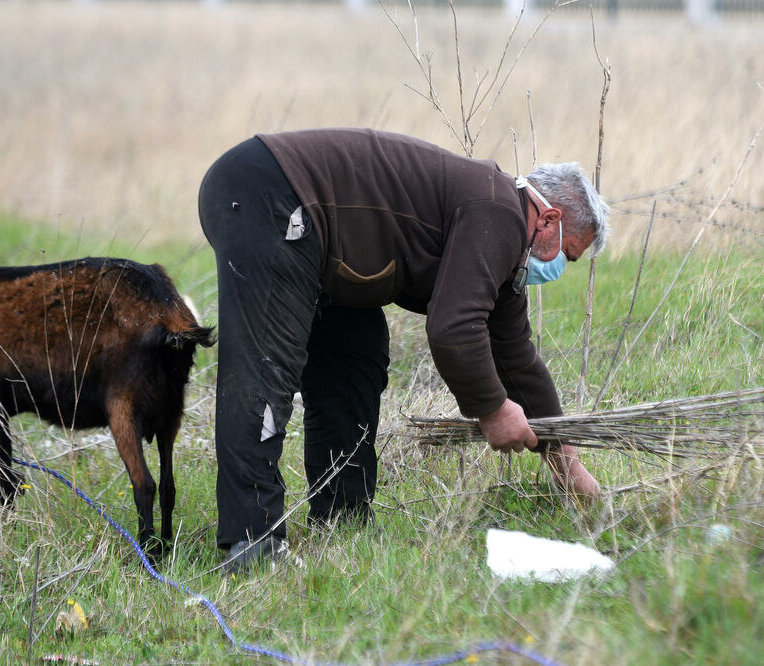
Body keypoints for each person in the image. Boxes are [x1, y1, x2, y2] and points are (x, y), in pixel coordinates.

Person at [197, 128, 610, 573]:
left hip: (324, 246)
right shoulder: (500, 211)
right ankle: (253, 543)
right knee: (266, 370)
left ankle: (342, 518)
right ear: (547, 219)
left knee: (355, 353)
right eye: (567, 254)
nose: (558, 267)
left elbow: (516, 358)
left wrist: (565, 461)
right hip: (268, 191)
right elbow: (454, 329)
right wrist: (492, 409)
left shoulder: (501, 235)